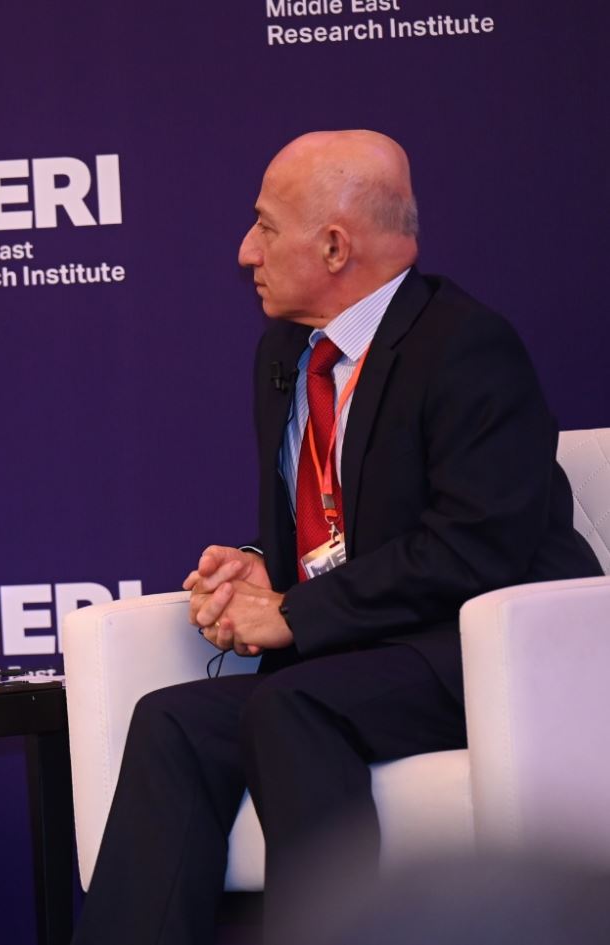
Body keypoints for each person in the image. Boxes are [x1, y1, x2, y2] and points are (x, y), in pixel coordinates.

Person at [70, 130, 601, 944]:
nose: (245, 251)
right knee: (172, 722)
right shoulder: (286, 353)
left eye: (265, 226)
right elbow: (346, 520)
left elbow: (475, 546)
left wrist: (294, 613)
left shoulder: (465, 346)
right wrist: (261, 570)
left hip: (482, 651)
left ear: (333, 245)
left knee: (291, 705)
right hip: (362, 650)